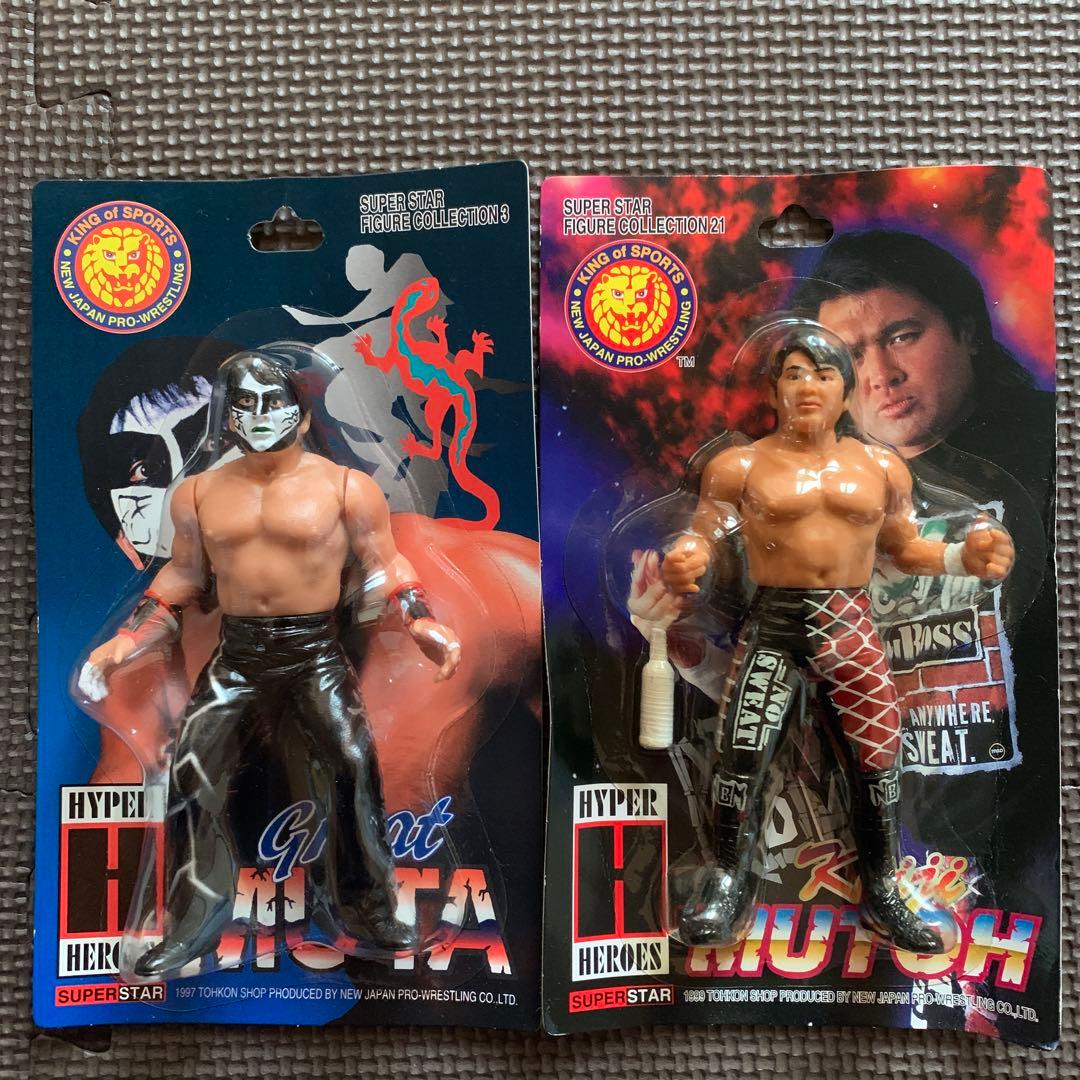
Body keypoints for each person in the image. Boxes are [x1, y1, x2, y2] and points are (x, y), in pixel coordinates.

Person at [78, 349, 462, 977]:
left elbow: (385, 563)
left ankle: (366, 906)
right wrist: (126, 640)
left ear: (300, 413)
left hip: (314, 650)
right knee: (193, 770)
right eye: (244, 403)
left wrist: (420, 620)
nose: (258, 415)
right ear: (227, 415)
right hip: (239, 653)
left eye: (272, 401)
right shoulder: (198, 493)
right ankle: (192, 919)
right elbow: (182, 577)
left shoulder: (345, 487)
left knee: (351, 762)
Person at [660, 327, 1013, 953]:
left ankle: (883, 887)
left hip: (849, 622)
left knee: (878, 760)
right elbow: (708, 530)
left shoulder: (879, 465)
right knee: (741, 754)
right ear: (774, 388)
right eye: (794, 374)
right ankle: (725, 881)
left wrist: (965, 556)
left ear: (846, 391)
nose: (808, 388)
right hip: (773, 624)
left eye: (822, 375)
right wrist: (688, 555)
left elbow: (905, 549)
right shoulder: (739, 465)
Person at [792, 229, 1055, 511]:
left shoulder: (1057, 440)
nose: (882, 376)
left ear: (967, 332)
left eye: (902, 338)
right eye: (851, 357)